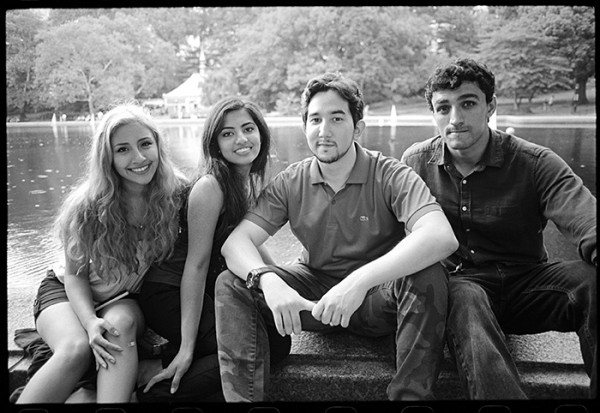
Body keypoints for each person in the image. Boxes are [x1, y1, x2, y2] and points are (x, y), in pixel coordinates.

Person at [215, 72, 459, 401]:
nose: (324, 130)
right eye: (315, 119)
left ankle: (410, 398)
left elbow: (441, 236)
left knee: (429, 272)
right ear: (305, 127)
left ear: (358, 127)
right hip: (314, 302)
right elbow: (235, 244)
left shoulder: (390, 174)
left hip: (377, 301)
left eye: (336, 118)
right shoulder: (292, 181)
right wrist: (269, 282)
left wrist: (357, 282)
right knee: (231, 283)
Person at [401, 57, 597, 399]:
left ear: (490, 106)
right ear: (432, 113)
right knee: (462, 294)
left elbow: (586, 219)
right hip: (464, 290)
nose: (455, 119)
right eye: (443, 108)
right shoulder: (415, 164)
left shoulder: (536, 163)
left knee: (592, 281)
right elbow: (384, 233)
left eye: (468, 103)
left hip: (530, 286)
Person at [16, 103, 187, 403]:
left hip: (124, 300)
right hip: (66, 293)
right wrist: (89, 321)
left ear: (159, 145)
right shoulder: (87, 206)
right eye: (122, 149)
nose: (138, 157)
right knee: (76, 348)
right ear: (107, 158)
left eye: (145, 144)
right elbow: (75, 276)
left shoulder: (178, 193)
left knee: (120, 328)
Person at [136, 97, 286, 402]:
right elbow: (196, 265)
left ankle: (161, 361)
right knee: (256, 346)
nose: (241, 139)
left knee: (278, 341)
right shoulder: (211, 186)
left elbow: (252, 246)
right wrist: (186, 348)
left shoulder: (245, 184)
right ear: (215, 143)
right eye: (228, 133)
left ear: (261, 133)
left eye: (248, 128)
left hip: (202, 292)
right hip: (169, 292)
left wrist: (287, 286)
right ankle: (152, 390)